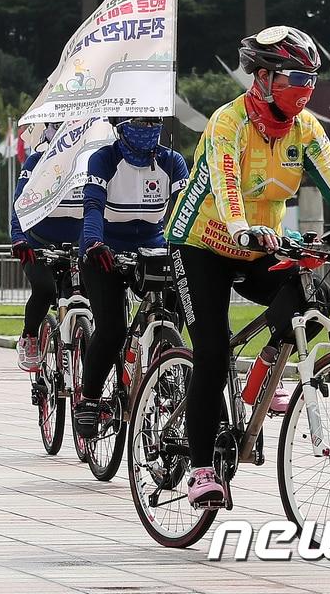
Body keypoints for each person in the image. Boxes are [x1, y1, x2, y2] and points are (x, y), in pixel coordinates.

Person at [165, 26, 330, 507]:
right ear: (264, 78)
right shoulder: (227, 122)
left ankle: (261, 377)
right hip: (202, 241)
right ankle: (203, 468)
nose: (305, 87)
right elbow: (227, 185)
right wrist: (237, 227)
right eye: (295, 76)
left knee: (314, 297)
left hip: (259, 244)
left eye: (311, 77)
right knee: (210, 351)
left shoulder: (305, 129)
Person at [71, 116, 188, 439]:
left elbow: (186, 208)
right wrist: (94, 242)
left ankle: (164, 354)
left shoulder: (171, 161)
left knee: (176, 305)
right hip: (104, 248)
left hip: (152, 245)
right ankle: (90, 399)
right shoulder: (104, 158)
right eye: (139, 122)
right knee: (111, 329)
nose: (148, 127)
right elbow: (93, 205)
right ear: (120, 126)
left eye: (154, 121)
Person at [9, 122, 82, 373]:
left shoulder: (88, 161)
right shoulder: (36, 162)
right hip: (38, 244)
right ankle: (29, 336)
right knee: (44, 288)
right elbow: (19, 202)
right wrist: (18, 238)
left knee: (86, 296)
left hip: (77, 245)